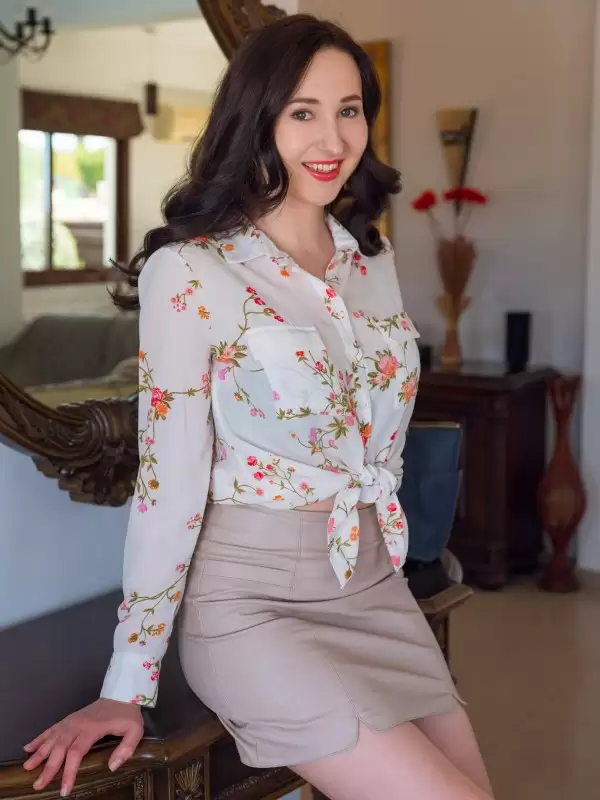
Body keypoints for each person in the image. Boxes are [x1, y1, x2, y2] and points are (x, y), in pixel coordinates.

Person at [23, 15, 494, 800]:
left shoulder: (372, 258)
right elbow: (169, 485)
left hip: (374, 585)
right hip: (255, 605)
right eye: (303, 111)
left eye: (350, 109)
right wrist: (127, 682)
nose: (332, 137)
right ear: (258, 118)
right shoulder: (191, 271)